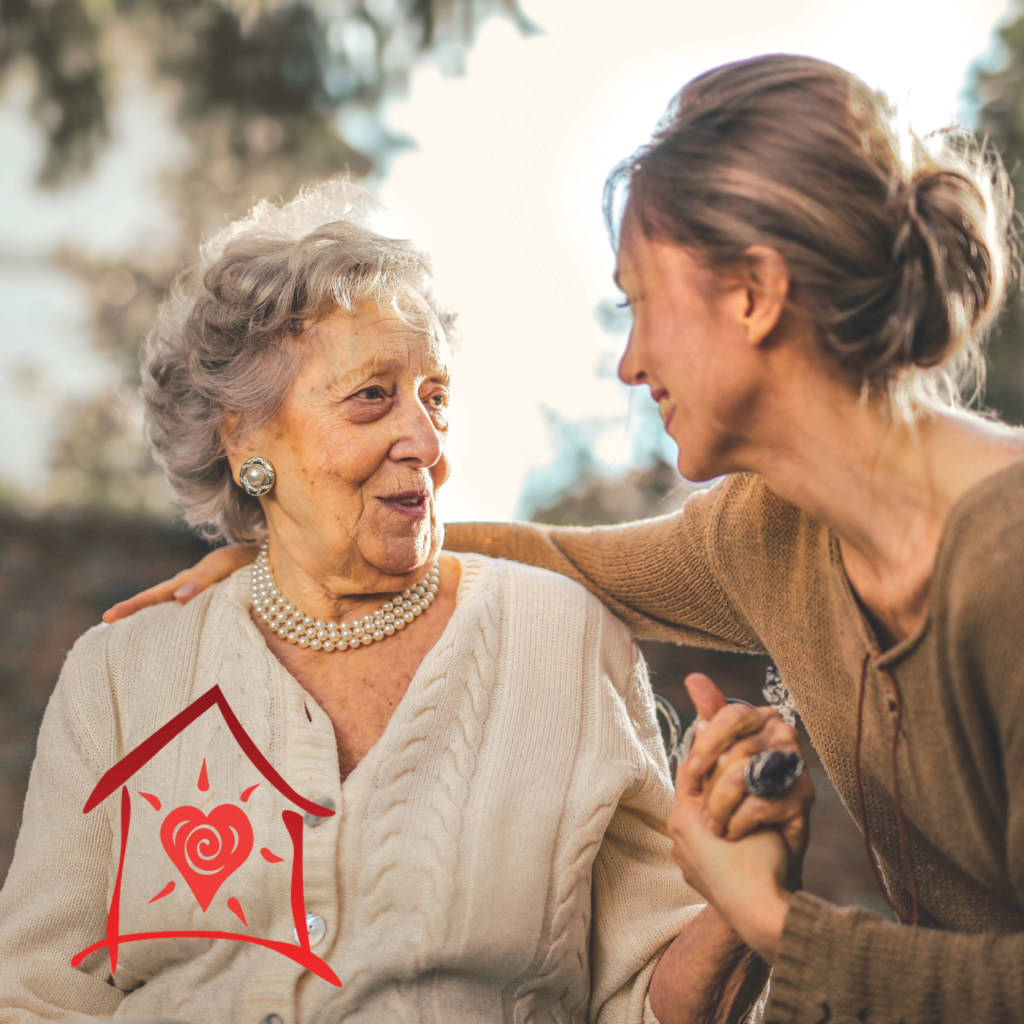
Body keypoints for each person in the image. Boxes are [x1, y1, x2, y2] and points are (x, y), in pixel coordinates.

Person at [119, 54, 1024, 1023]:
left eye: (639, 303)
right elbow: (558, 557)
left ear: (754, 294)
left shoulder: (1003, 563)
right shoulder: (771, 535)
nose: (630, 362)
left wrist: (768, 916)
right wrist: (300, 542)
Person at [0, 182, 774, 1023]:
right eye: (372, 396)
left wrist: (742, 913)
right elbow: (39, 995)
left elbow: (643, 1000)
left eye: (435, 398)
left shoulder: (566, 642)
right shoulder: (121, 674)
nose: (429, 443)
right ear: (244, 435)